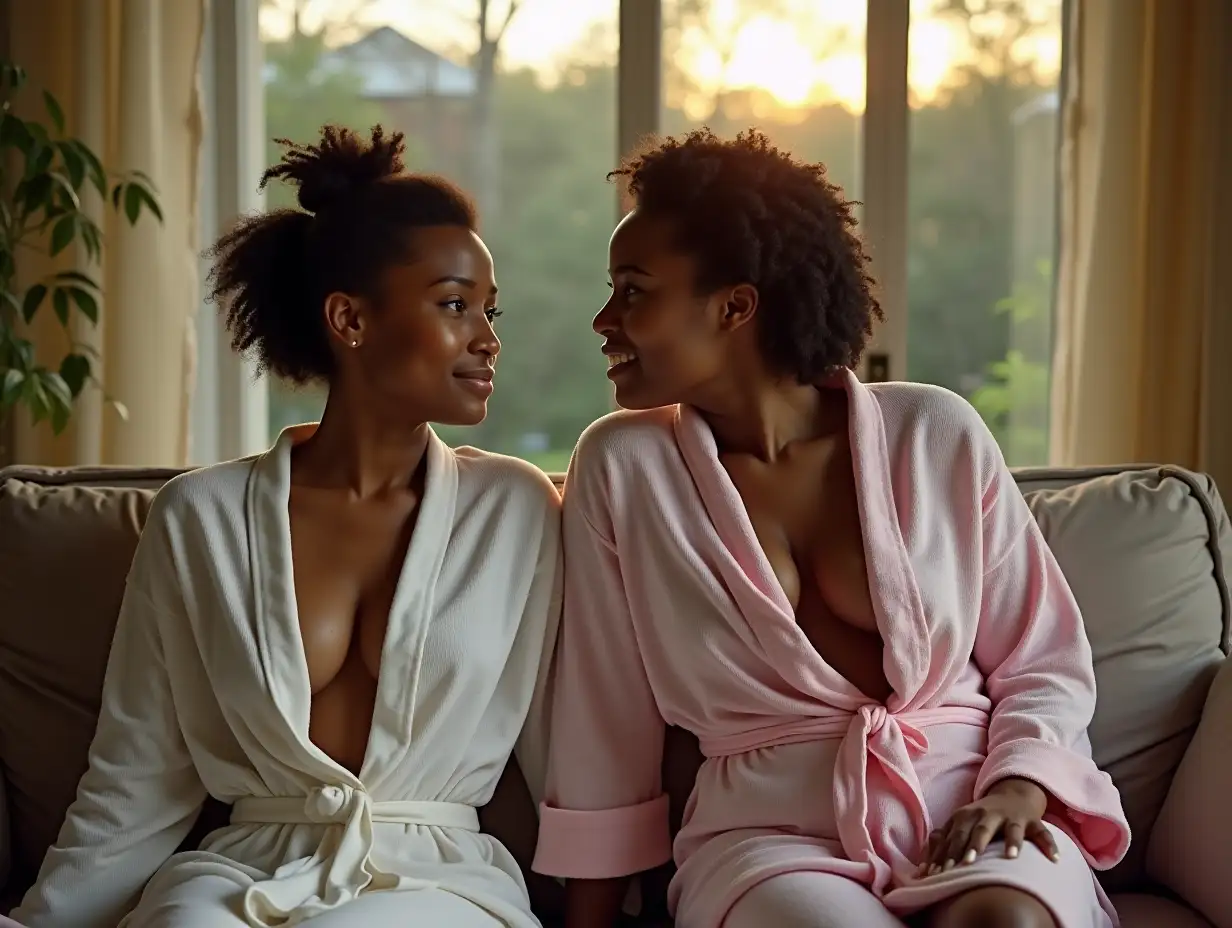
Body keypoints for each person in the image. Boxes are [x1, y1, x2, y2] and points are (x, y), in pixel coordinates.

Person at [531, 128, 1129, 928]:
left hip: (976, 803)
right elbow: (605, 716)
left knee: (1008, 921)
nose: (604, 319)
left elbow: (1043, 655)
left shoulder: (934, 432)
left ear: (735, 305)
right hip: (766, 835)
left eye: (633, 291)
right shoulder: (624, 466)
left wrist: (1020, 787)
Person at [13, 126, 561, 928]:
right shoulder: (199, 520)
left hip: (433, 884)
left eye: (488, 308)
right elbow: (137, 774)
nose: (488, 338)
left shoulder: (514, 512)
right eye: (454, 305)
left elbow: (571, 757)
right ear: (350, 320)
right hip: (236, 877)